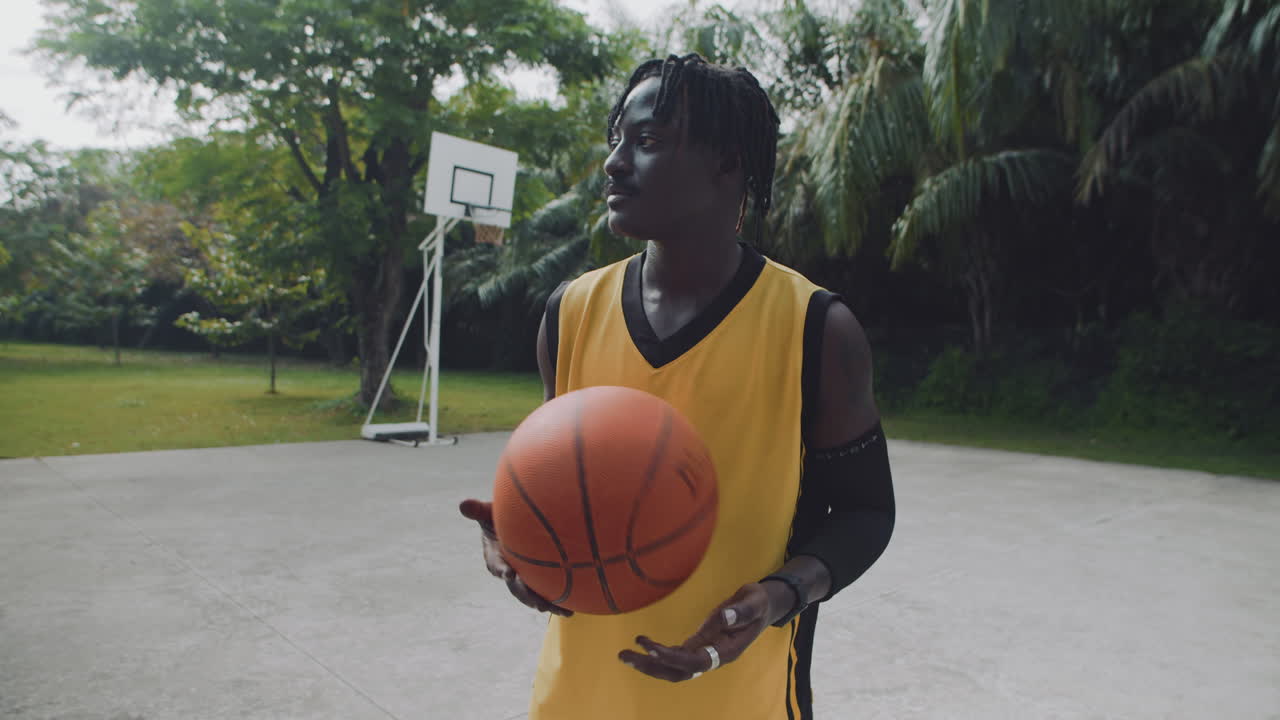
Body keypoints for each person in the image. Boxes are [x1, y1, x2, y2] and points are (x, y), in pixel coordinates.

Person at [459, 53, 896, 720]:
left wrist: (780, 595)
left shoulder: (816, 329)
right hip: (577, 695)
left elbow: (867, 512)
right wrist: (519, 538)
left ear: (727, 164)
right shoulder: (569, 311)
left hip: (737, 697)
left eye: (649, 141)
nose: (614, 162)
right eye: (617, 140)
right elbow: (561, 476)